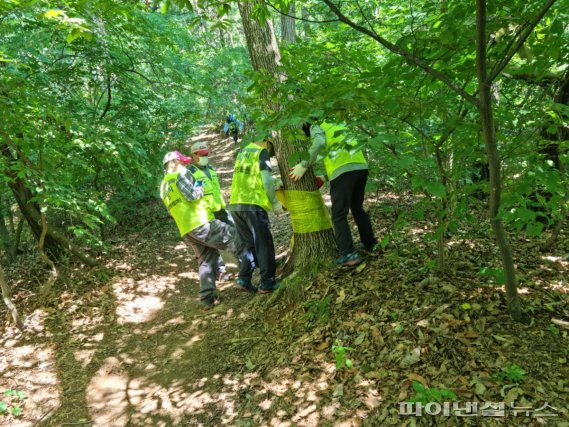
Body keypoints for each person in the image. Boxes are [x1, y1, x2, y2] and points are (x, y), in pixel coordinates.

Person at [289, 121, 378, 267]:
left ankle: (349, 254)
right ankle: (371, 244)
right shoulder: (336, 124)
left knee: (338, 215)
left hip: (344, 172)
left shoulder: (315, 125)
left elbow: (318, 143)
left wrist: (303, 165)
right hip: (361, 168)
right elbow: (342, 157)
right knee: (357, 208)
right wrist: (324, 177)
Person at [160, 151, 240, 310]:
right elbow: (192, 196)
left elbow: (171, 210)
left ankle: (207, 299)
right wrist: (200, 187)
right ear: (172, 163)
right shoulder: (177, 177)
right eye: (182, 162)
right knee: (235, 238)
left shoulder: (163, 186)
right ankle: (256, 271)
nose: (184, 166)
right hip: (201, 222)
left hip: (186, 228)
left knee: (206, 260)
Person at [228, 138, 283, 293]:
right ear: (267, 142)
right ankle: (268, 282)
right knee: (263, 243)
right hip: (253, 204)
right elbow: (266, 181)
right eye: (272, 150)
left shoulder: (243, 152)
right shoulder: (261, 151)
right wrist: (275, 202)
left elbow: (252, 177)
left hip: (236, 204)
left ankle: (244, 278)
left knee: (248, 245)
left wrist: (275, 183)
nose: (271, 154)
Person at [188, 141, 234, 281]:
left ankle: (247, 261)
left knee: (234, 233)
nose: (205, 157)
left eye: (206, 154)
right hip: (206, 213)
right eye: (202, 155)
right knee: (212, 244)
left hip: (220, 208)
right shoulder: (190, 173)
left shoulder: (211, 169)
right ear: (193, 155)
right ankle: (220, 272)